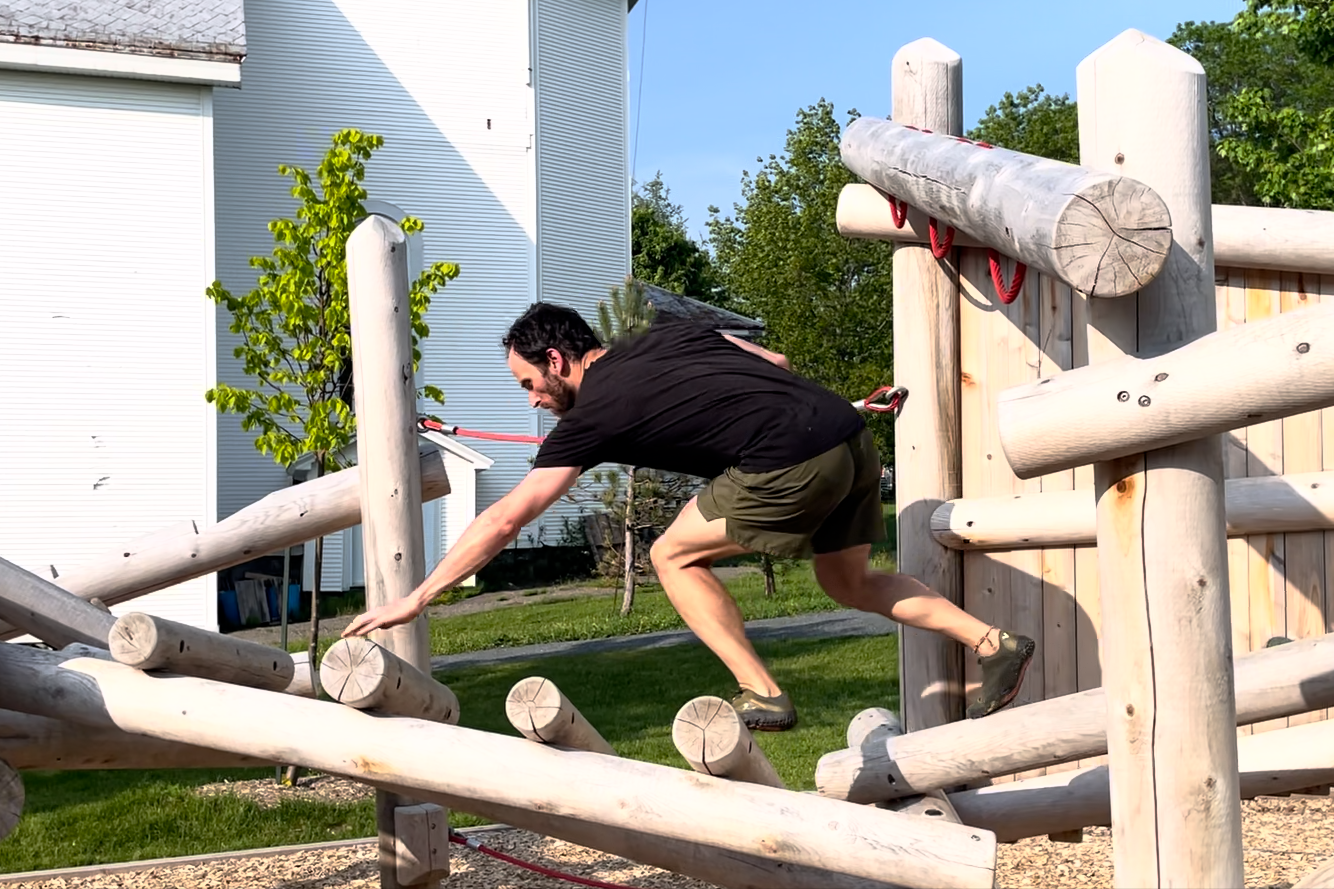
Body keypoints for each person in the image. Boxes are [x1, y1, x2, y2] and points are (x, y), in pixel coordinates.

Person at [342, 302, 1035, 730]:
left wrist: (421, 596)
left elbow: (505, 520)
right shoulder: (670, 330)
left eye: (529, 383)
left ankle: (762, 692)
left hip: (790, 456)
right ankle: (992, 643)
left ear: (556, 359)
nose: (532, 400)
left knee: (670, 555)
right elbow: (775, 361)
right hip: (847, 437)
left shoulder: (594, 417)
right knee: (848, 584)